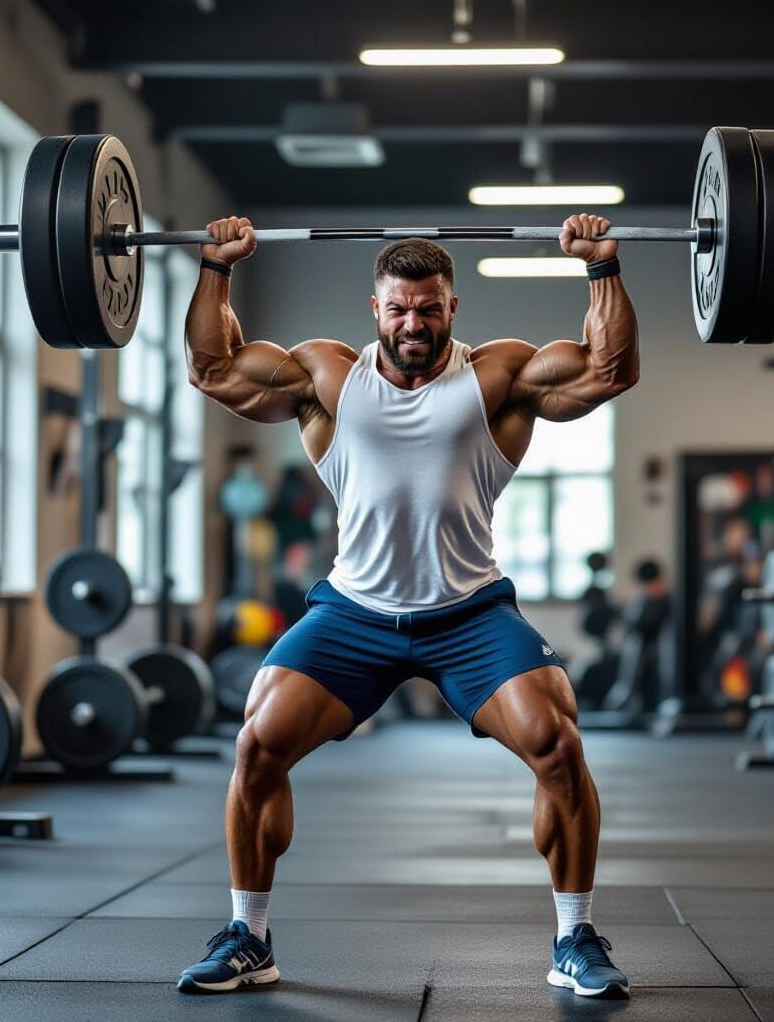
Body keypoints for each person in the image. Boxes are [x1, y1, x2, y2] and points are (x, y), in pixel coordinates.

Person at [178, 214, 639, 999]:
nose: (413, 324)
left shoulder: (497, 377)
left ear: (452, 308)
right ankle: (248, 937)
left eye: (428, 308)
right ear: (375, 309)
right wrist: (214, 267)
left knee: (557, 743)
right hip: (354, 613)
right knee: (258, 743)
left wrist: (602, 268)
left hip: (469, 615)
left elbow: (608, 371)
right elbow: (213, 369)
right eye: (398, 309)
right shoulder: (327, 377)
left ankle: (575, 937)